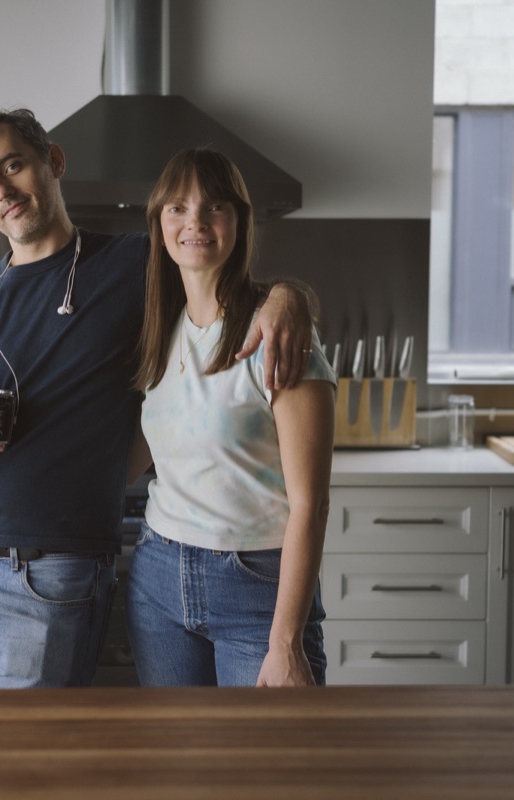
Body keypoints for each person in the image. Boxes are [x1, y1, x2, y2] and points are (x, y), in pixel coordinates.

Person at [0, 106, 314, 689]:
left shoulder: (136, 265)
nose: (2, 191)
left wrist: (292, 296)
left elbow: (220, 265)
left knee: (29, 773)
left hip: (50, 575)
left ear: (54, 162)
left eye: (13, 166)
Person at [125, 147, 337, 687]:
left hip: (257, 588)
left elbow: (310, 505)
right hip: (158, 579)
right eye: (176, 207)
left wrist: (286, 642)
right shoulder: (156, 329)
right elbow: (147, 452)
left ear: (239, 221)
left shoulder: (278, 338)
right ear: (158, 224)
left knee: (268, 768)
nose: (193, 220)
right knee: (177, 765)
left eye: (213, 206)